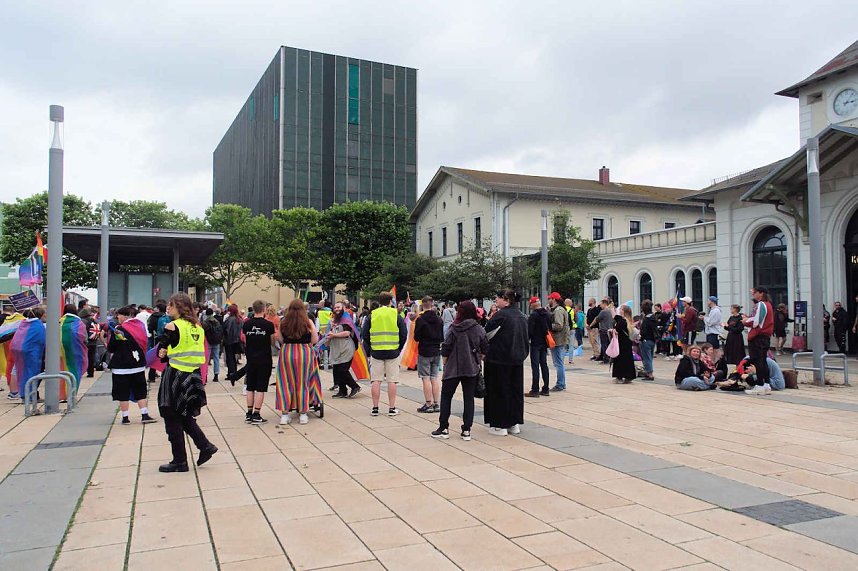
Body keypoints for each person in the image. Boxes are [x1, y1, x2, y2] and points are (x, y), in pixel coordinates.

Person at [156, 293, 217, 473]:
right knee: (183, 414)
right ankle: (204, 446)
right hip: (192, 376)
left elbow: (162, 350)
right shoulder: (197, 327)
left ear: (180, 307)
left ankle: (180, 460)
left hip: (175, 374)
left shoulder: (172, 326)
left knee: (170, 414)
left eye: (171, 305)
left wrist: (162, 352)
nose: (168, 308)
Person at [431, 301, 489, 441]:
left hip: (453, 367)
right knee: (468, 398)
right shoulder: (478, 328)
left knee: (446, 397)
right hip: (471, 368)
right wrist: (477, 357)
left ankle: (444, 427)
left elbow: (446, 347)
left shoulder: (454, 328)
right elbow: (485, 348)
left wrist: (445, 362)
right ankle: (466, 430)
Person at [483, 288, 529, 436]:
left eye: (499, 298)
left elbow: (486, 335)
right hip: (517, 359)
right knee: (515, 391)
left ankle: (499, 424)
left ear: (507, 300)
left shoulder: (500, 316)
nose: (496, 300)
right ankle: (513, 423)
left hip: (498, 360)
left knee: (498, 391)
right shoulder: (522, 316)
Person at [361, 291, 408, 417]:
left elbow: (364, 334)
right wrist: (399, 347)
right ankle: (392, 408)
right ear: (390, 301)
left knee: (376, 380)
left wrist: (371, 347)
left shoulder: (372, 315)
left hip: (376, 351)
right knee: (392, 380)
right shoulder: (395, 314)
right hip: (393, 351)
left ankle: (375, 408)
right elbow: (404, 333)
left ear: (379, 301)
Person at [108, 306, 157, 425]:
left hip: (120, 366)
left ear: (125, 315)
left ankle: (125, 418)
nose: (117, 318)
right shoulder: (140, 327)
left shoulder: (119, 329)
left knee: (122, 392)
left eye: (118, 315)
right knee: (140, 390)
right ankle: (144, 414)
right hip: (137, 364)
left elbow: (111, 347)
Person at [275, 299, 322, 425]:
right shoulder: (308, 322)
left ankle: (284, 415)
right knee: (303, 382)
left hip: (287, 352)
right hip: (304, 352)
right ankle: (303, 414)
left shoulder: (283, 322)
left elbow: (280, 339)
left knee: (285, 382)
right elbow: (315, 339)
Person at [240, 300, 276, 424]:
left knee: (250, 386)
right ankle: (257, 414)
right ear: (264, 309)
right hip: (264, 358)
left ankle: (249, 413)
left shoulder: (247, 324)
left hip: (251, 358)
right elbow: (272, 341)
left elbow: (244, 339)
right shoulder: (269, 325)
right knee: (261, 387)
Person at [414, 296, 444, 412]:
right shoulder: (439, 319)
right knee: (434, 377)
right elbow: (442, 337)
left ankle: (428, 404)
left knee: (425, 378)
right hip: (436, 351)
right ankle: (436, 403)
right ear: (432, 304)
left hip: (425, 351)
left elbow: (416, 337)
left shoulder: (420, 319)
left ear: (423, 305)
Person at [743, 286, 774, 395]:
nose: (753, 294)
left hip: (758, 336)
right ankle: (766, 384)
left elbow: (756, 321)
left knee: (757, 361)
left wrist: (745, 321)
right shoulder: (768, 305)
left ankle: (760, 384)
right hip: (764, 336)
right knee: (763, 360)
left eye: (755, 292)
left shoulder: (761, 304)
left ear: (761, 293)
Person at [10, 306, 46, 400]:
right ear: (41, 315)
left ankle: (24, 393)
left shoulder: (23, 323)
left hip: (19, 351)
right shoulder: (38, 325)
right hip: (32, 352)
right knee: (32, 373)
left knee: (21, 372)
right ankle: (30, 396)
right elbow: (42, 340)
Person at [328, 301, 362, 399]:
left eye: (338, 307)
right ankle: (342, 391)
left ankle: (355, 386)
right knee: (337, 370)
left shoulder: (346, 320)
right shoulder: (333, 321)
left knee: (343, 370)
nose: (336, 309)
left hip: (346, 347)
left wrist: (334, 335)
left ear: (343, 308)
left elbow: (347, 333)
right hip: (337, 349)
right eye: (335, 308)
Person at [60, 304, 88, 402]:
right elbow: (84, 337)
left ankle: (62, 395)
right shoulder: (79, 323)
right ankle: (71, 394)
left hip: (60, 352)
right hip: (76, 351)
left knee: (61, 371)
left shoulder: (60, 322)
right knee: (75, 371)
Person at [526, 296, 551, 397]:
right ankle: (546, 388)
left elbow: (530, 330)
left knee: (535, 366)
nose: (529, 305)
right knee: (544, 364)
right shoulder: (547, 314)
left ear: (533, 304)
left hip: (535, 342)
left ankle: (535, 389)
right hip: (544, 342)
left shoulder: (534, 315)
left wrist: (527, 339)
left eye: (530, 304)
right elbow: (549, 327)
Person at [547, 292, 571, 391]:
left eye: (549, 299)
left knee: (558, 363)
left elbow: (559, 325)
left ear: (554, 299)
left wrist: (548, 325)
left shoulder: (558, 311)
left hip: (558, 340)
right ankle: (561, 383)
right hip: (559, 339)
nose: (548, 300)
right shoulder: (559, 310)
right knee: (558, 362)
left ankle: (560, 384)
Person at [611, 305, 637, 383]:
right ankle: (629, 376)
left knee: (620, 359)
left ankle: (619, 376)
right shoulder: (629, 321)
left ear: (624, 312)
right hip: (627, 343)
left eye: (621, 309)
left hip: (621, 343)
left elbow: (617, 326)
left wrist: (612, 310)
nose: (620, 310)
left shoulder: (622, 321)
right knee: (628, 360)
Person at [201, 308, 224, 382]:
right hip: (216, 341)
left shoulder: (205, 322)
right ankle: (216, 375)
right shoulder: (216, 321)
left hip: (208, 342)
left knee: (206, 359)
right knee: (216, 358)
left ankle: (206, 375)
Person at [638, 300, 658, 381]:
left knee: (646, 358)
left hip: (645, 340)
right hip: (652, 340)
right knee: (650, 357)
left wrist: (640, 338)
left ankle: (649, 373)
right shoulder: (654, 317)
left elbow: (643, 331)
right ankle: (648, 372)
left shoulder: (646, 319)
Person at [223, 304, 243, 383]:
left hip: (229, 341)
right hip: (237, 341)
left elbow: (225, 330)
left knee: (229, 358)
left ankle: (231, 373)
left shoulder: (229, 320)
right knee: (234, 358)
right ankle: (234, 372)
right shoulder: (240, 320)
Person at [78, 307, 98, 378]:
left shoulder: (83, 321)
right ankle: (91, 372)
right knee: (91, 358)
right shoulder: (94, 320)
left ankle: (81, 371)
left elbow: (83, 332)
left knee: (83, 357)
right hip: (94, 342)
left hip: (86, 343)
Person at [596, 298, 614, 364]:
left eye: (601, 304)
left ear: (604, 304)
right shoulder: (611, 311)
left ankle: (606, 359)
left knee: (604, 345)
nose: (600, 306)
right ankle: (610, 358)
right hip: (610, 330)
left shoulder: (603, 311)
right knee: (609, 344)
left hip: (603, 330)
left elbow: (597, 319)